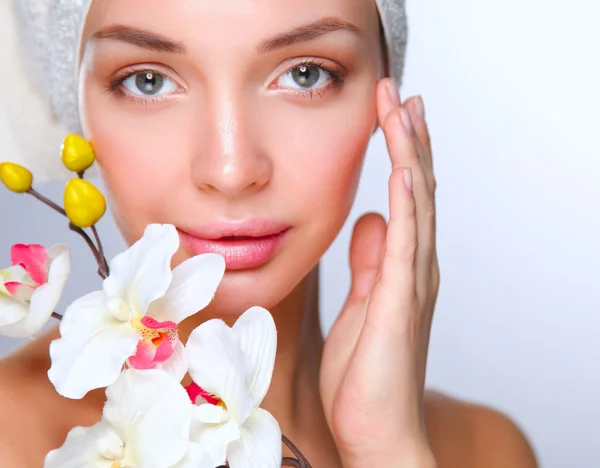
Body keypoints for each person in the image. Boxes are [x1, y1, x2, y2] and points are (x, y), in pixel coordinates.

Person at [0, 0, 538, 466]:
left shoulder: (487, 451)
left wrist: (389, 453)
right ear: (76, 108)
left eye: (306, 74)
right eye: (149, 80)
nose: (231, 169)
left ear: (384, 94)